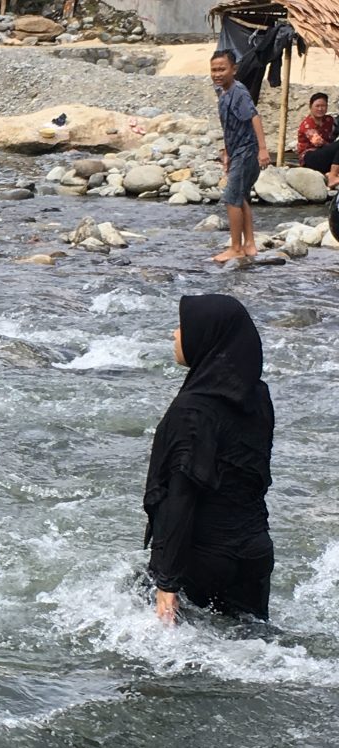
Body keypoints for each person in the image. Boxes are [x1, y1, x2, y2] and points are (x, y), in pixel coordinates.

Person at [143, 294, 275, 625]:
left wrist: (166, 581)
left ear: (206, 336)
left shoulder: (193, 411)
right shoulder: (257, 397)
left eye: (183, 326)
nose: (174, 333)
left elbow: (181, 494)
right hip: (255, 553)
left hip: (201, 558)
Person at [210, 49, 270, 263]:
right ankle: (250, 244)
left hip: (247, 150)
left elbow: (254, 117)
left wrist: (263, 149)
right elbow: (229, 127)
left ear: (233, 70)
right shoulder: (223, 93)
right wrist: (227, 153)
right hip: (237, 152)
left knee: (231, 198)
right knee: (242, 195)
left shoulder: (239, 92)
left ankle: (236, 248)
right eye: (214, 70)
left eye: (222, 69)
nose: (217, 74)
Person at [297, 92, 339, 182]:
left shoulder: (329, 120)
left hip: (324, 155)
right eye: (317, 106)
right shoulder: (307, 124)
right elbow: (319, 143)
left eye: (323, 106)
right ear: (310, 106)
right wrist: (334, 147)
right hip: (310, 158)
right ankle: (333, 176)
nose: (320, 109)